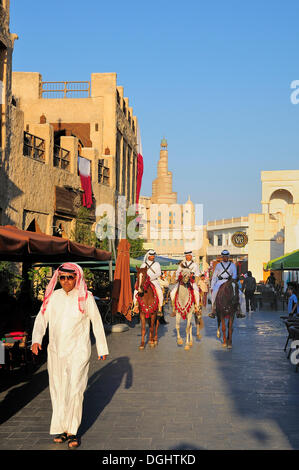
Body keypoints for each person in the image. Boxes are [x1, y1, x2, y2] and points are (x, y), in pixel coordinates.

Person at [31, 263, 109, 449]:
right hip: (56, 351)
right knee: (58, 389)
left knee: (76, 389)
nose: (66, 281)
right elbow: (41, 319)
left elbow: (97, 322)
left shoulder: (86, 297)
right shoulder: (53, 297)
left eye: (70, 277)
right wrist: (36, 339)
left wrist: (102, 347)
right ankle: (60, 427)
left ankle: (72, 431)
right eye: (62, 278)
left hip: (78, 351)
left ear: (77, 278)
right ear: (58, 278)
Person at [208, 250, 245, 319]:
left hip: (230, 281)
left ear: (228, 257)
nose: (225, 258)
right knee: (214, 293)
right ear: (222, 257)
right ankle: (213, 310)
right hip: (220, 282)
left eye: (226, 257)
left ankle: (240, 310)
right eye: (224, 257)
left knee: (240, 294)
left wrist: (231, 281)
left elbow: (234, 275)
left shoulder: (232, 265)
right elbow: (214, 276)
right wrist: (212, 286)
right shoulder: (218, 265)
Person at [132, 250, 164, 316]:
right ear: (148, 256)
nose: (152, 257)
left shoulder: (157, 264)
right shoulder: (143, 264)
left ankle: (160, 307)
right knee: (136, 291)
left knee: (159, 291)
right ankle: (136, 306)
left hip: (154, 281)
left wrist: (150, 277)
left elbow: (159, 273)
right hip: (144, 281)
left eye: (153, 256)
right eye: (151, 256)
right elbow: (140, 273)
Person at [170, 250, 200, 316]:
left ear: (191, 256)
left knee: (196, 292)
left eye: (189, 255)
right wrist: (178, 277)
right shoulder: (182, 264)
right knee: (172, 293)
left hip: (191, 282)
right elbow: (178, 272)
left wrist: (193, 276)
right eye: (186, 255)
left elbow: (197, 274)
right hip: (182, 282)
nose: (187, 257)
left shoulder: (194, 265)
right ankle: (174, 309)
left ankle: (197, 308)